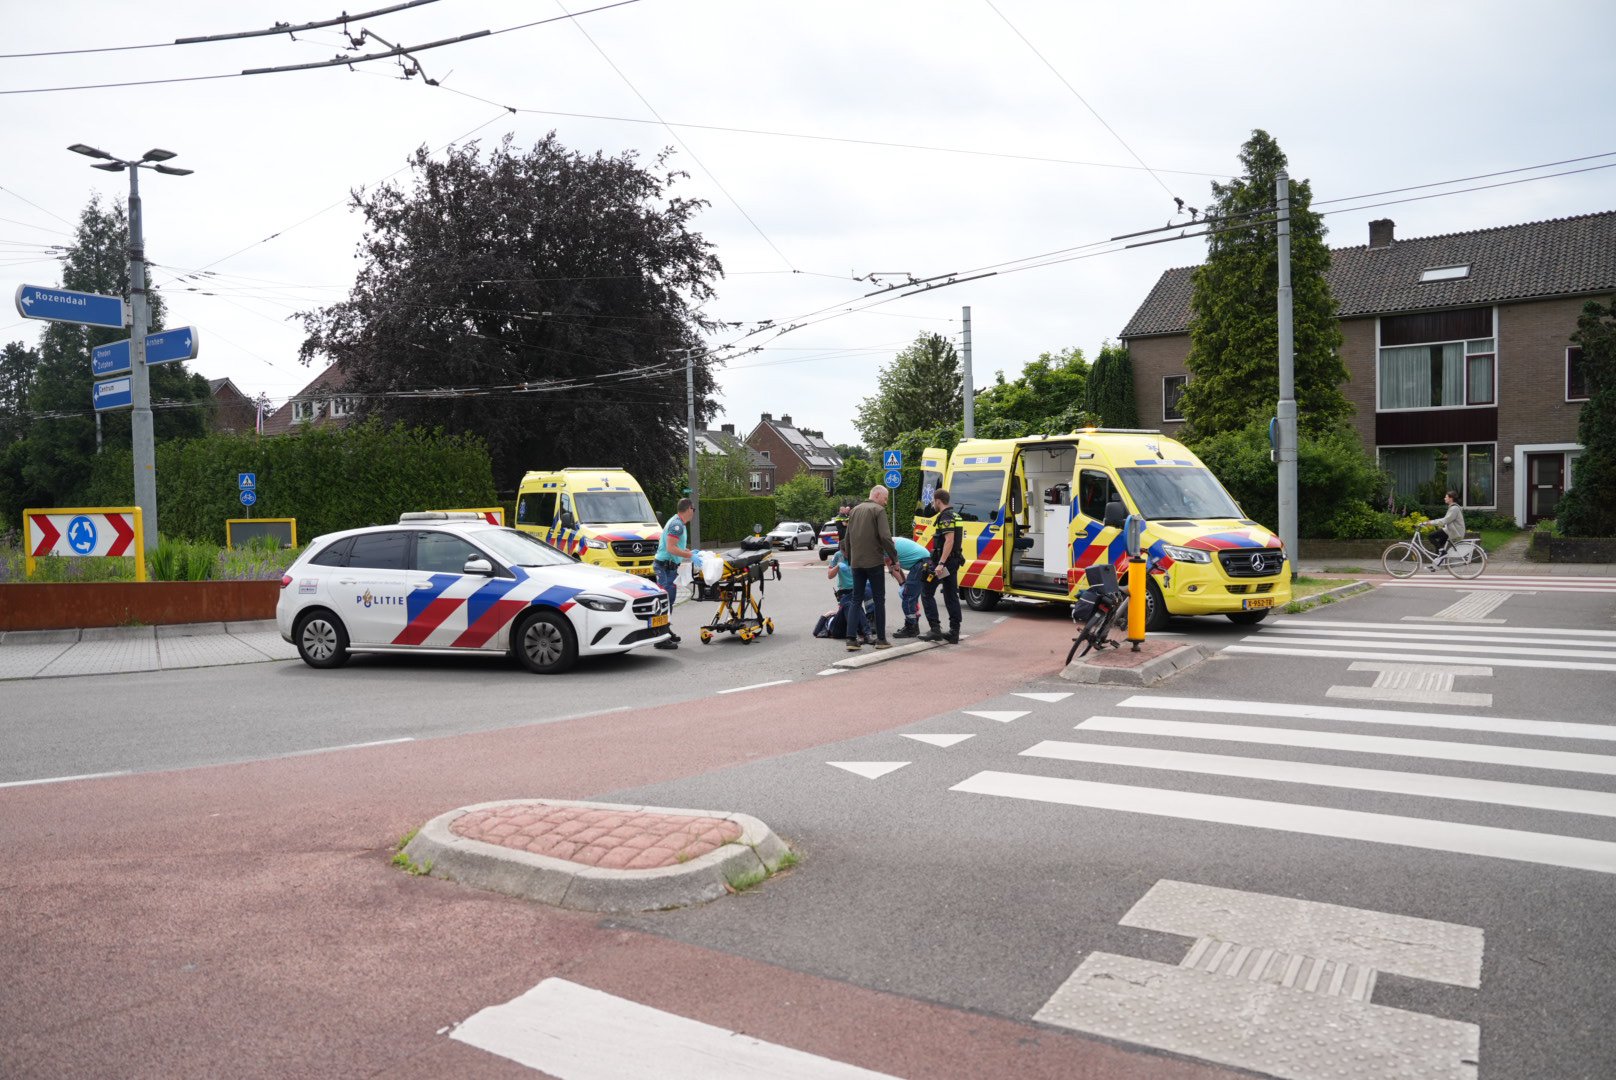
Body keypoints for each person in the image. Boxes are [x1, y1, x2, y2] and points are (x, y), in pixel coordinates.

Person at [841, 485, 899, 651]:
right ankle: (881, 639)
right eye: (885, 498)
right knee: (879, 599)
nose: (886, 502)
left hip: (856, 563)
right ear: (878, 494)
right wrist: (894, 558)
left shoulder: (854, 511)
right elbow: (886, 537)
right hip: (874, 562)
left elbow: (847, 539)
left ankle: (851, 639)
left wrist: (852, 559)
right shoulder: (878, 510)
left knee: (856, 599)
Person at [922, 487, 963, 644]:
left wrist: (940, 563)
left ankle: (935, 630)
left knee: (926, 591)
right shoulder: (955, 515)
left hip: (945, 563)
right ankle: (954, 632)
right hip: (953, 561)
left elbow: (949, 540)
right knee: (950, 594)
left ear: (938, 501)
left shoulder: (945, 516)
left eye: (934, 501)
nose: (933, 504)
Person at [652, 498, 694, 649]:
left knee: (669, 600)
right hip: (665, 567)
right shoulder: (677, 525)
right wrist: (688, 555)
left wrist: (684, 551)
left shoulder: (677, 522)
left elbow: (674, 546)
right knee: (665, 601)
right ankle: (660, 638)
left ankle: (665, 631)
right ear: (689, 509)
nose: (693, 512)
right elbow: (670, 548)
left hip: (668, 567)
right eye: (693, 509)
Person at [889, 535, 934, 638]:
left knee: (908, 596)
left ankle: (911, 628)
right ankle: (913, 626)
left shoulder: (882, 545)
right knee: (911, 596)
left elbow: (892, 568)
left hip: (920, 563)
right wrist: (904, 584)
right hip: (923, 561)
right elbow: (896, 566)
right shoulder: (889, 540)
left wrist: (902, 584)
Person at [1426, 490, 1465, 566]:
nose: (1444, 498)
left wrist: (1431, 522)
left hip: (1454, 531)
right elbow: (1446, 520)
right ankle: (1436, 564)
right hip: (1450, 530)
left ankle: (1443, 553)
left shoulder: (1454, 509)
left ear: (1451, 498)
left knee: (1430, 536)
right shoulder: (1453, 507)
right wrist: (1432, 522)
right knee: (1439, 545)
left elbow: (1445, 520)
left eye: (1446, 497)